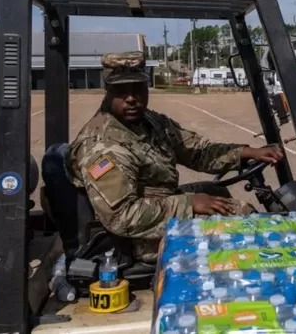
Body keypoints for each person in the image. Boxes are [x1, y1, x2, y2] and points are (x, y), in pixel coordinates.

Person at [67, 51, 284, 262]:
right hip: (137, 238)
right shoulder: (102, 146)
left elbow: (196, 151)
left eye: (138, 89)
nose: (132, 98)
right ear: (108, 91)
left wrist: (246, 152)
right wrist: (188, 204)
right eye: (121, 91)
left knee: (213, 191)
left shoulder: (149, 121)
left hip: (159, 204)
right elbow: (122, 216)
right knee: (241, 217)